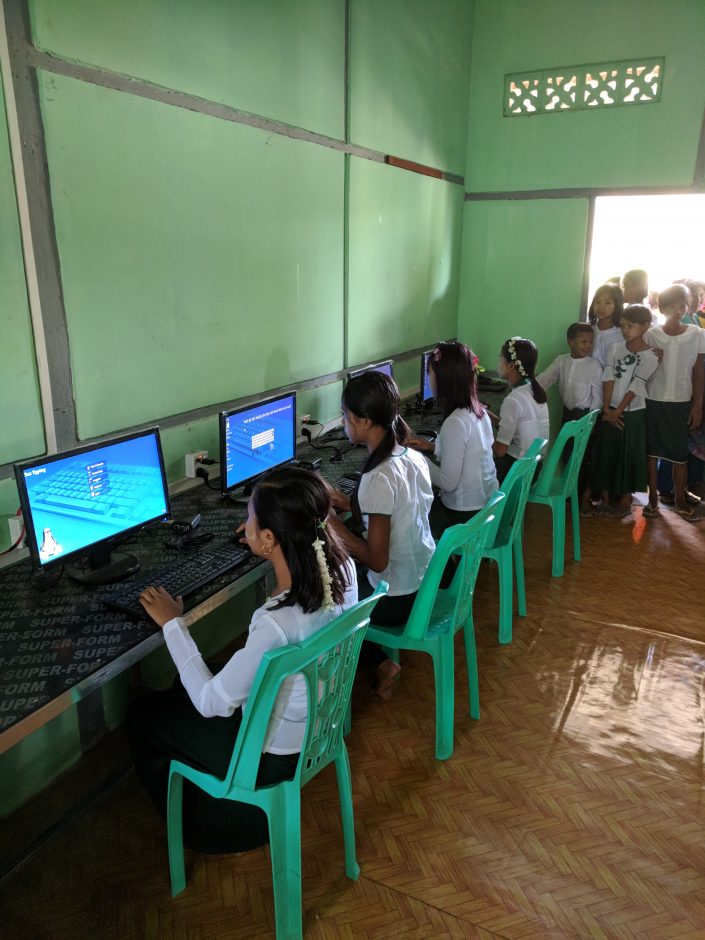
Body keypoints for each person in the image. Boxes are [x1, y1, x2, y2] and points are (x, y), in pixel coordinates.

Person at [127, 466, 357, 854]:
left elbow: (210, 702)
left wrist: (173, 624)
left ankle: (203, 825)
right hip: (315, 729)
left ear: (270, 537)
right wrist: (260, 534)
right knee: (181, 688)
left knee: (143, 714)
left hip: (271, 759)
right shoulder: (342, 568)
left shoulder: (276, 624)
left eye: (250, 517)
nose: (245, 523)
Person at [327, 371, 435, 699]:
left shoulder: (378, 477)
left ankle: (379, 665)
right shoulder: (410, 456)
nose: (343, 422)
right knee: (342, 576)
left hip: (397, 600)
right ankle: (375, 661)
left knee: (324, 598)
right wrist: (348, 503)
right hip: (423, 581)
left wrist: (331, 523)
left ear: (364, 421)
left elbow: (376, 559)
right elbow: (395, 512)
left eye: (345, 416)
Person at [406, 341, 497, 540]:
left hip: (464, 515)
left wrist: (418, 459)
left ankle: (439, 568)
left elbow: (447, 483)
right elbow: (469, 453)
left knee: (408, 516)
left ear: (442, 378)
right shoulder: (478, 412)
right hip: (485, 506)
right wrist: (433, 446)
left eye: (429, 372)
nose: (428, 378)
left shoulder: (455, 422)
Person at [590, 305, 659, 518]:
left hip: (633, 412)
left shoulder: (651, 356)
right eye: (623, 325)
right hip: (611, 410)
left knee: (629, 455)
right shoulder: (616, 348)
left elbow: (636, 386)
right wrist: (607, 408)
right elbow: (609, 377)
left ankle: (626, 500)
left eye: (631, 325)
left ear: (645, 326)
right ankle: (604, 498)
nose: (625, 330)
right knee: (606, 452)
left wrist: (617, 411)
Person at [644, 283, 705, 520]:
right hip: (653, 400)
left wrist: (697, 405)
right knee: (651, 453)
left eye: (685, 302)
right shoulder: (652, 334)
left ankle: (679, 500)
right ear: (663, 307)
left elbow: (699, 372)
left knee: (679, 454)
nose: (681, 307)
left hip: (681, 403)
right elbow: (643, 368)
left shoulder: (697, 335)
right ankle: (651, 501)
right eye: (675, 302)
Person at [536, 322, 602, 515]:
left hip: (585, 418)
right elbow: (545, 379)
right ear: (570, 342)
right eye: (583, 341)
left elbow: (597, 396)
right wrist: (527, 389)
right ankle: (569, 495)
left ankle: (583, 498)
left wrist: (591, 421)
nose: (587, 346)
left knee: (584, 458)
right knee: (567, 455)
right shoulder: (562, 361)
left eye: (591, 342)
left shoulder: (594, 366)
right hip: (568, 415)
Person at [492, 337, 549, 484]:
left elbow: (500, 450)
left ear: (511, 366)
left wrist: (482, 437)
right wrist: (486, 415)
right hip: (534, 468)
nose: (499, 363)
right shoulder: (533, 389)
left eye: (500, 359)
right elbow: (515, 426)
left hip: (516, 474)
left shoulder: (513, 400)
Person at [589, 283, 624, 368]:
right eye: (597, 302)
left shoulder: (623, 334)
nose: (601, 306)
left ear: (617, 305)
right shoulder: (588, 330)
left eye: (608, 303)